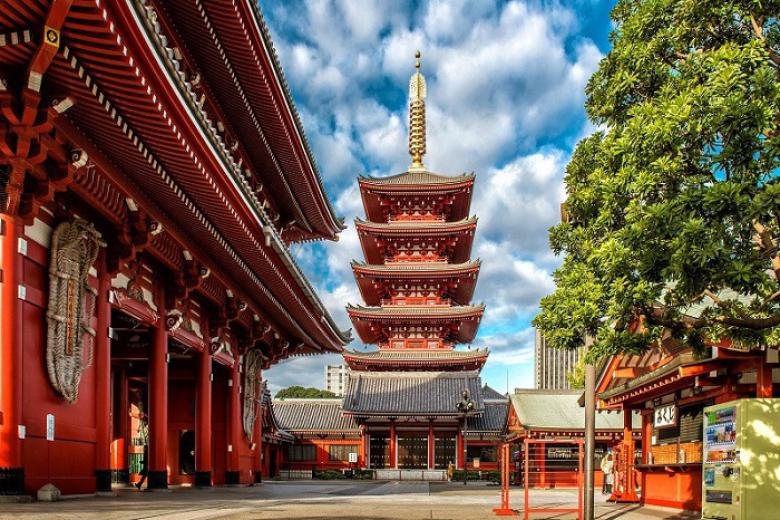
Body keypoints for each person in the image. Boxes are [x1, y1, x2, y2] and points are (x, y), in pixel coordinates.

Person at [135, 413, 149, 490]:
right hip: (146, 447)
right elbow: (138, 430)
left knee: (146, 470)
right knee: (146, 471)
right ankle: (139, 484)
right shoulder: (143, 428)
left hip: (147, 447)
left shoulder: (146, 428)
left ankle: (139, 484)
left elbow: (138, 430)